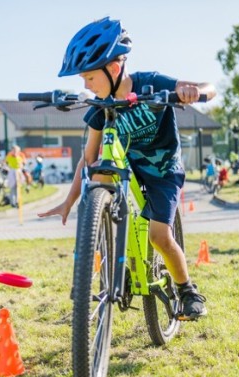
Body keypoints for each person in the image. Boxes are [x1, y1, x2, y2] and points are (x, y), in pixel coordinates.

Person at [38, 17, 216, 320]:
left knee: (159, 236)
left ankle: (187, 289)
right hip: (129, 169)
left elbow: (208, 88)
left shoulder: (152, 83)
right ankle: (98, 265)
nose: (85, 85)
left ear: (114, 68)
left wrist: (193, 93)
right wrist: (70, 200)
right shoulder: (101, 107)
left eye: (89, 78)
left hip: (163, 171)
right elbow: (89, 157)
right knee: (99, 173)